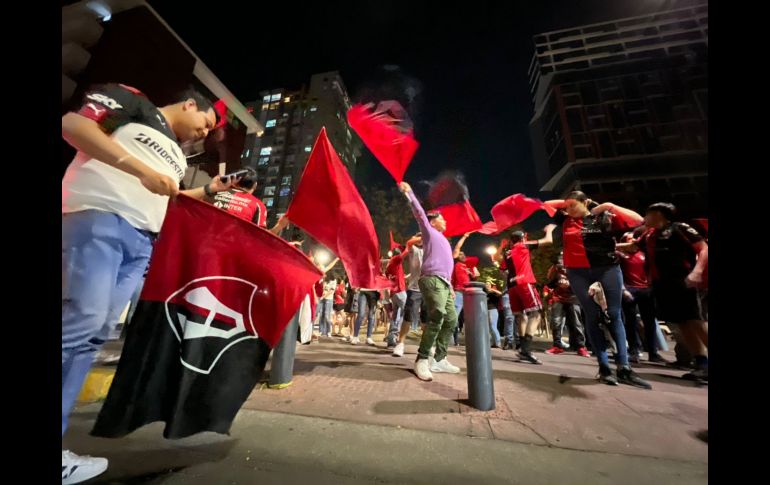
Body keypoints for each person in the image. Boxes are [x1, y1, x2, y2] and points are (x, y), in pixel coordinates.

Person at [61, 83, 234, 483]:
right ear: (190, 103)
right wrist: (140, 168)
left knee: (92, 335)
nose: (203, 135)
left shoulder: (176, 154)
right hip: (98, 216)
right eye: (205, 124)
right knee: (79, 325)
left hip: (141, 242)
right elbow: (73, 125)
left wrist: (208, 190)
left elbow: (165, 193)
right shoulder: (134, 100)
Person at [543, 191, 651, 389]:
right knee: (592, 315)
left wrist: (608, 205)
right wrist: (569, 203)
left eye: (573, 205)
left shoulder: (603, 217)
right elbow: (546, 204)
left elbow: (638, 220)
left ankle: (624, 367)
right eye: (566, 206)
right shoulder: (565, 219)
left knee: (613, 314)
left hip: (606, 269)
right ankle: (604, 368)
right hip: (578, 273)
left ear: (585, 203)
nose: (568, 209)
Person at [619, 202, 708, 381]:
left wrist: (697, 272)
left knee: (695, 321)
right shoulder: (650, 235)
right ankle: (702, 364)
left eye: (648, 214)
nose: (645, 218)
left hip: (683, 280)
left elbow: (704, 248)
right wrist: (607, 247)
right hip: (662, 284)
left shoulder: (680, 228)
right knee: (682, 323)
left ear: (659, 214)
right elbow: (633, 248)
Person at [398, 181, 460, 381]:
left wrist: (450, 286)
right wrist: (410, 193)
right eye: (442, 218)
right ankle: (422, 359)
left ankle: (440, 360)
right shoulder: (429, 231)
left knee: (451, 320)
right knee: (438, 316)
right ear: (433, 221)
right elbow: (419, 214)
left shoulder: (443, 239)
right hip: (431, 280)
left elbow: (447, 266)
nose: (446, 221)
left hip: (444, 283)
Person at [493, 227, 555, 364]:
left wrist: (501, 246)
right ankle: (526, 350)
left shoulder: (508, 253)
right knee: (536, 313)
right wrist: (549, 230)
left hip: (512, 286)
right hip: (524, 283)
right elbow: (548, 240)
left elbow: (498, 262)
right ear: (522, 238)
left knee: (521, 316)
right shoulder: (523, 245)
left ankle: (521, 348)